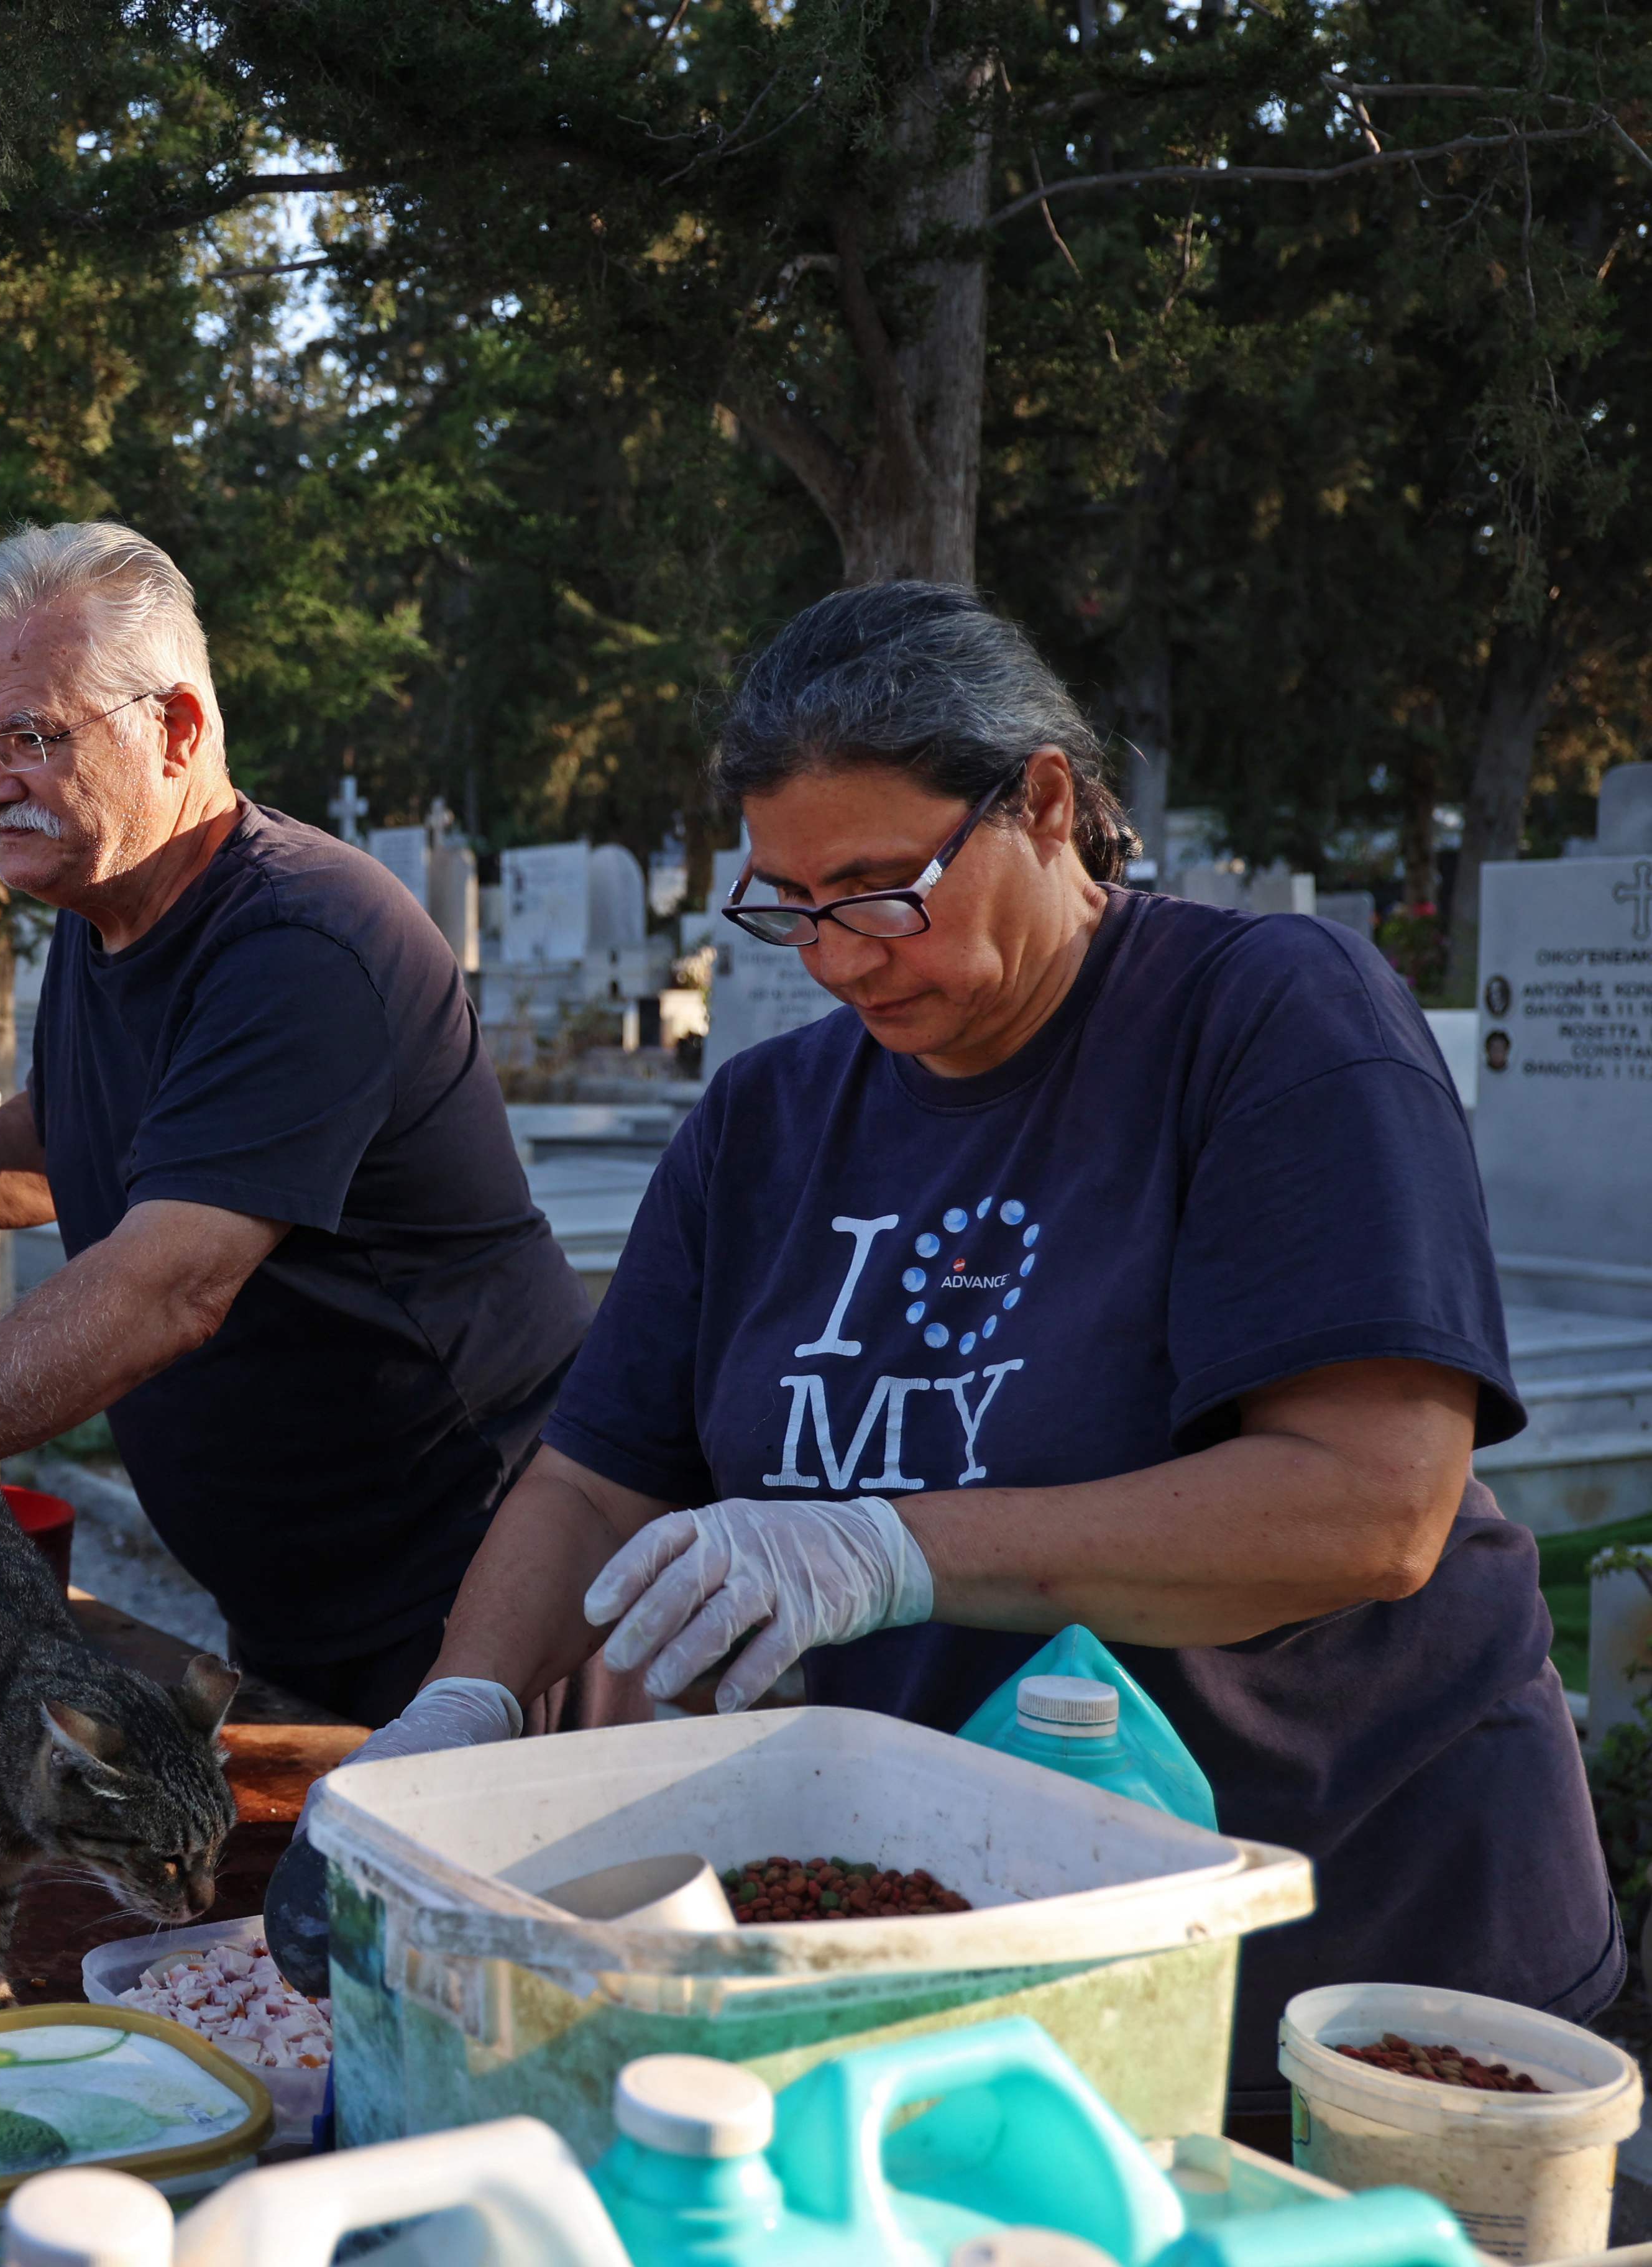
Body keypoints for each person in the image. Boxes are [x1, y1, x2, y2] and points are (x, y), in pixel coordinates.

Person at [264, 582, 1618, 2115]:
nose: (838, 958)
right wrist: (460, 1712)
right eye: (790, 903)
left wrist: (884, 1547)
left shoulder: (1265, 1021)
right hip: (968, 1938)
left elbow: (1371, 1507)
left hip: (1338, 1953)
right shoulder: (766, 1123)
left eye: (878, 889)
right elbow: (593, 1478)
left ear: (1043, 803)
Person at [0, 521, 599, 1726]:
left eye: (32, 739)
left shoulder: (300, 943)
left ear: (175, 730)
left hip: (482, 1590)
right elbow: (66, 1142)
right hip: (305, 1600)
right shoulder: (109, 908)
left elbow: (171, 1287)